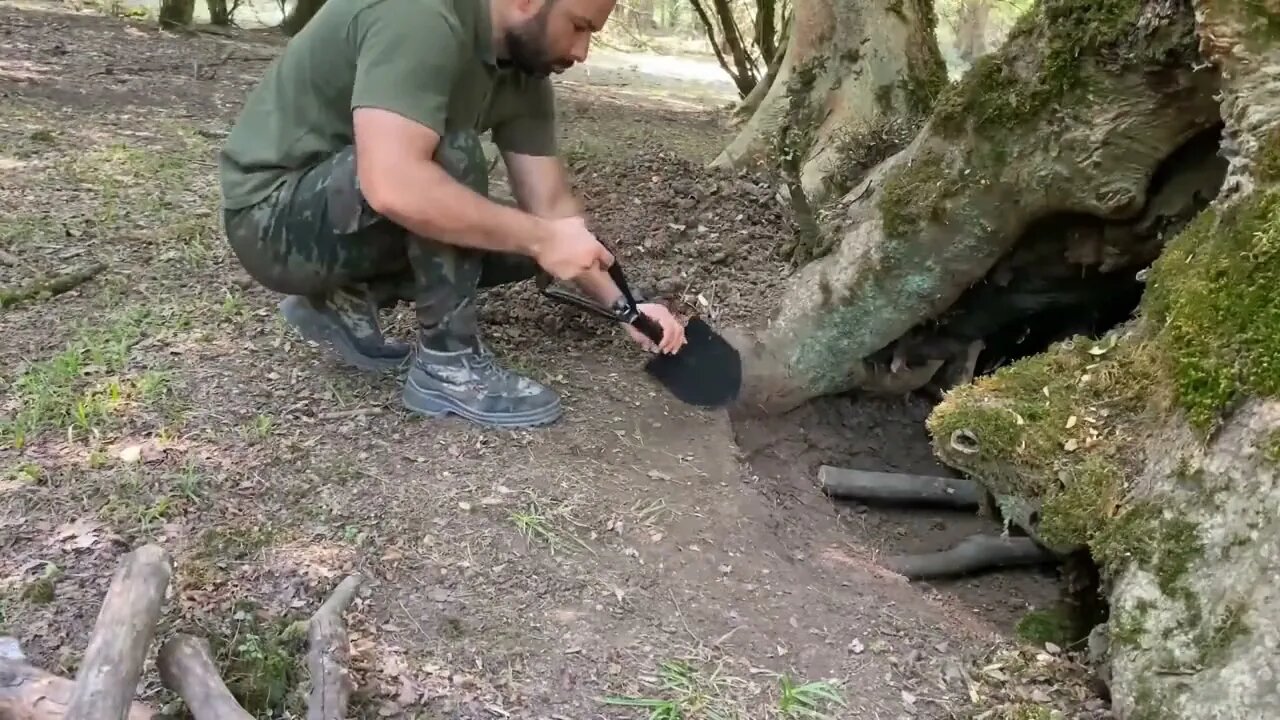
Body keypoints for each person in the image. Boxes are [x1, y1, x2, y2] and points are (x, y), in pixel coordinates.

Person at [216, 0, 687, 429]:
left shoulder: (523, 64)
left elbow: (554, 214)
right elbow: (394, 183)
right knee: (453, 153)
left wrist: (627, 306)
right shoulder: (422, 13)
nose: (583, 51)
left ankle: (343, 298)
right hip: (271, 221)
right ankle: (449, 365)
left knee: (534, 244)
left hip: (343, 214)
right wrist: (541, 238)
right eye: (580, 27)